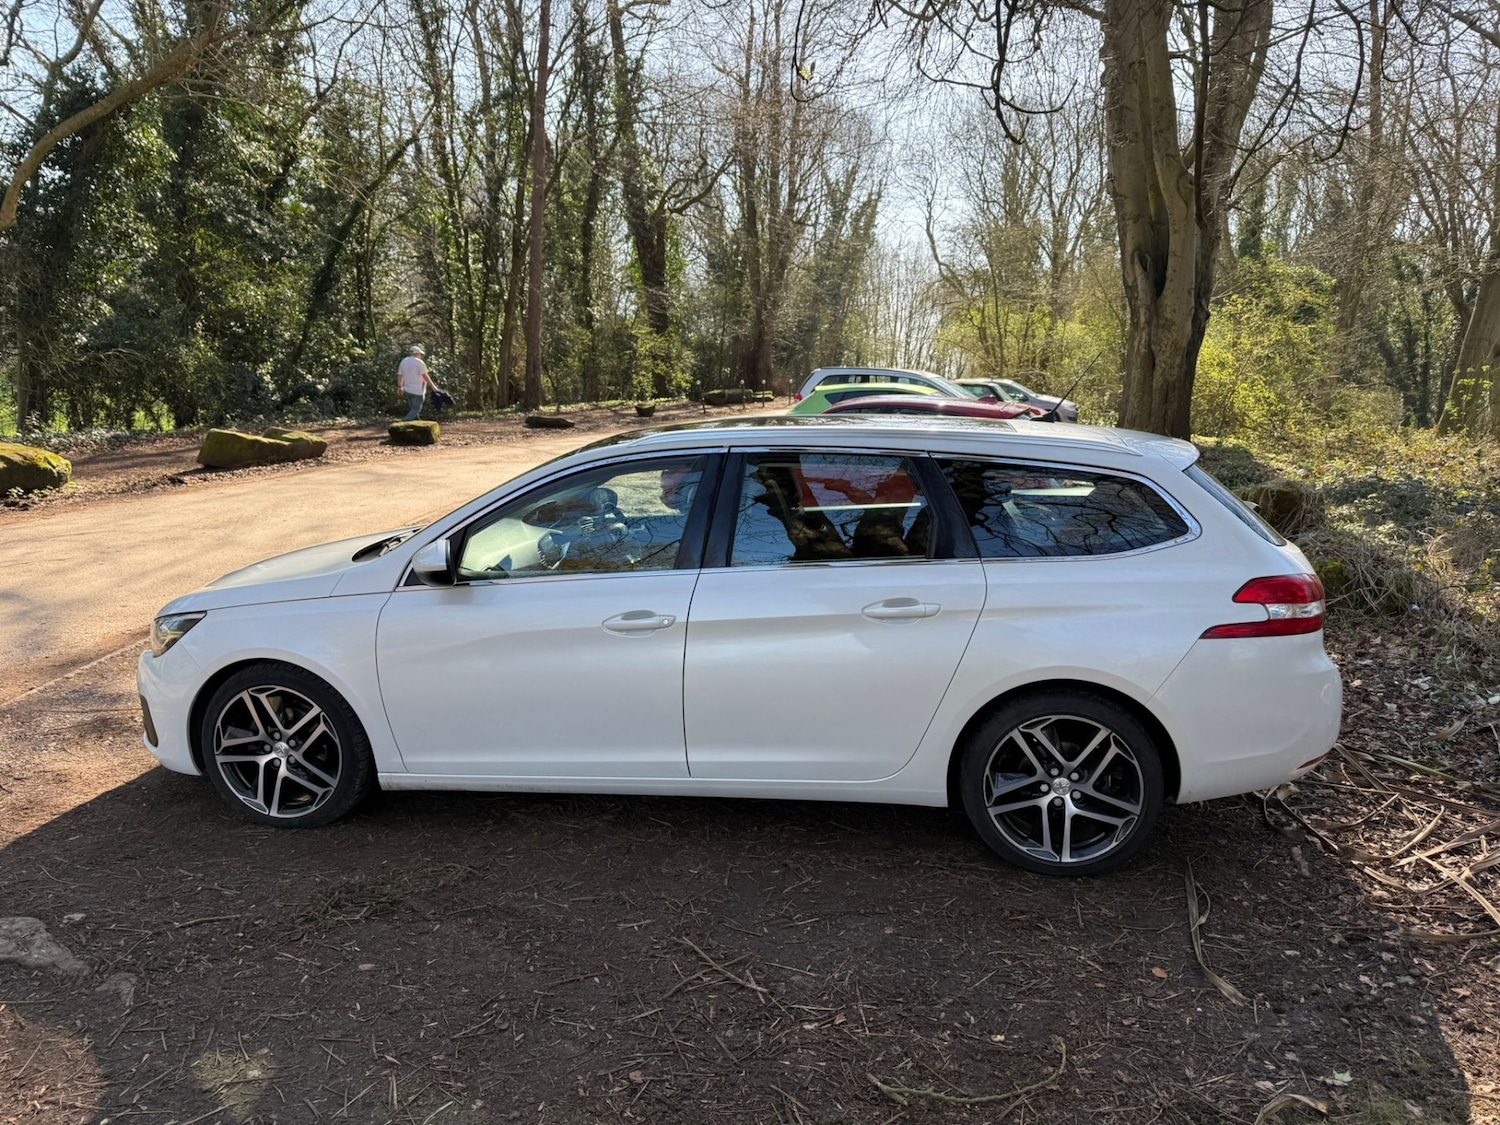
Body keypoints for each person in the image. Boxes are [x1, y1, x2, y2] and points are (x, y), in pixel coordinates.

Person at [397, 345, 438, 421]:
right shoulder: (419, 362)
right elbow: (425, 376)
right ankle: (405, 422)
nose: (420, 356)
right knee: (416, 409)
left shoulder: (403, 361)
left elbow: (400, 375)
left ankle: (417, 423)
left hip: (407, 390)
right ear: (416, 353)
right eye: (420, 354)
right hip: (417, 391)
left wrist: (400, 387)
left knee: (413, 409)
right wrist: (433, 387)